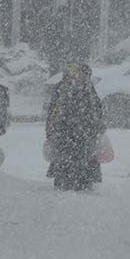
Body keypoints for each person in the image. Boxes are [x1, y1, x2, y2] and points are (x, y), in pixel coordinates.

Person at [46, 61, 105, 191]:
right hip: (73, 135)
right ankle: (76, 183)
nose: (87, 79)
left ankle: (73, 182)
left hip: (73, 136)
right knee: (75, 163)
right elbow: (94, 110)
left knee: (71, 163)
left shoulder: (77, 88)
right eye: (85, 75)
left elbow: (96, 109)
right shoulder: (74, 90)